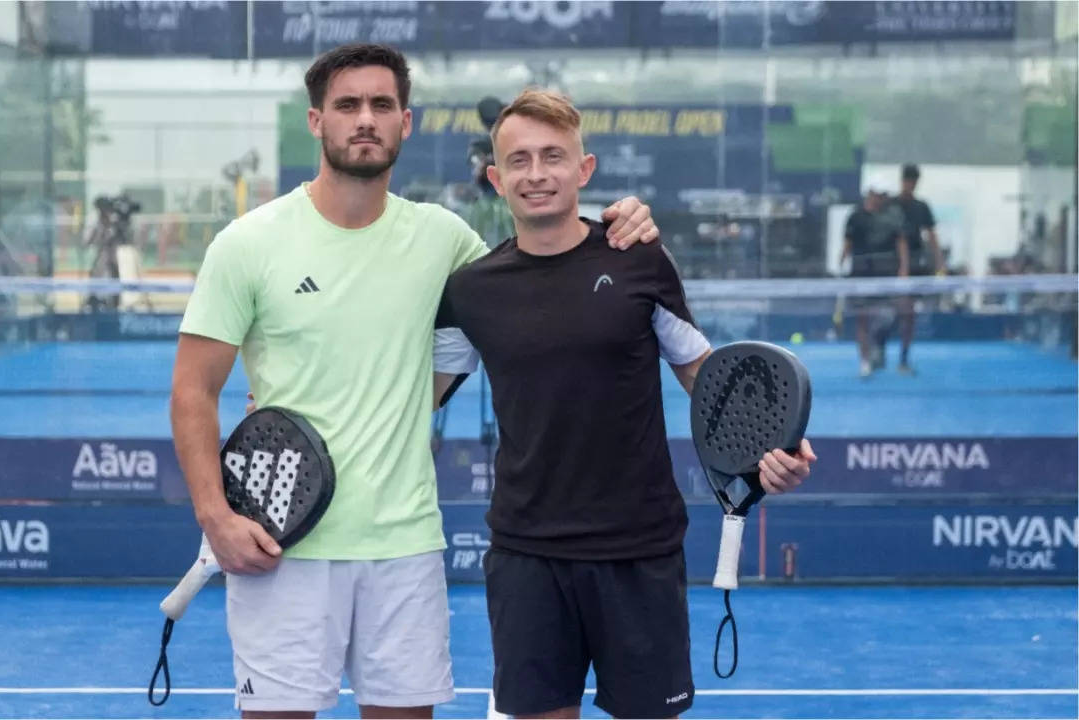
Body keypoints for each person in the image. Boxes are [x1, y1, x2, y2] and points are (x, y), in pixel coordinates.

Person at [170, 44, 659, 720]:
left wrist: (619, 215)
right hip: (284, 548)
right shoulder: (247, 244)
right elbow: (192, 390)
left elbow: (545, 251)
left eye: (381, 105)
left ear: (407, 122)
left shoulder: (445, 240)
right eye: (347, 105)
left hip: (405, 548)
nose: (364, 119)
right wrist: (214, 516)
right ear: (317, 121)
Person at [434, 89, 817, 719]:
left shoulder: (640, 260)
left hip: (638, 550)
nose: (537, 174)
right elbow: (415, 394)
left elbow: (707, 378)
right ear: (495, 178)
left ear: (584, 170)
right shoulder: (470, 290)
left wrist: (774, 450)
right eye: (520, 160)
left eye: (554, 156)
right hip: (528, 555)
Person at [841, 189, 909, 378]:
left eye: (883, 195)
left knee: (891, 315)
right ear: (869, 194)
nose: (880, 198)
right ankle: (865, 362)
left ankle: (879, 345)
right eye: (876, 194)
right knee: (862, 318)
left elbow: (901, 243)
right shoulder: (855, 217)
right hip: (860, 275)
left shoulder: (892, 216)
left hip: (886, 276)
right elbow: (847, 244)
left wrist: (903, 269)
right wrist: (840, 265)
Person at [892, 163, 944, 375]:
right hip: (890, 265)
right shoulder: (891, 205)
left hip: (914, 267)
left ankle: (903, 358)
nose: (910, 185)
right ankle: (878, 345)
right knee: (887, 313)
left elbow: (931, 236)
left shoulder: (922, 207)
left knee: (909, 313)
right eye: (907, 180)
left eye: (913, 181)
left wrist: (940, 262)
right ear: (902, 181)